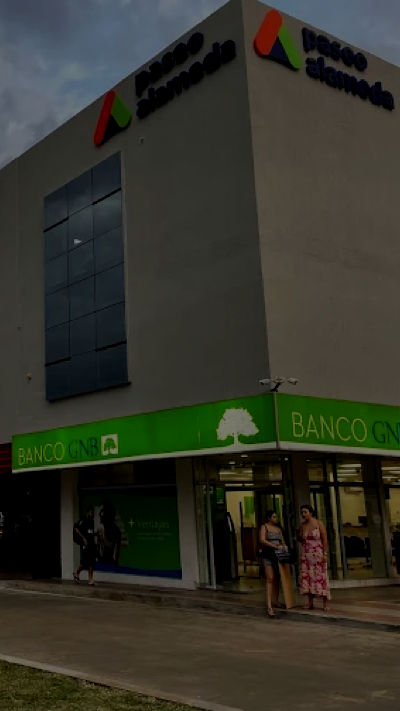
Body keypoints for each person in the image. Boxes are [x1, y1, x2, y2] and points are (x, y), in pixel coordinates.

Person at [298, 504, 331, 611]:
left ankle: (325, 603)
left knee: (321, 577)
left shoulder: (318, 523)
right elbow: (299, 539)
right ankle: (310, 602)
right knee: (308, 578)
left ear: (311, 513)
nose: (303, 514)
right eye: (302, 512)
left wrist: (325, 554)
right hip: (306, 555)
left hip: (317, 554)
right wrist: (302, 536)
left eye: (305, 512)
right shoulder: (302, 525)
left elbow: (325, 539)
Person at [259, 510, 286, 618]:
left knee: (277, 578)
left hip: (278, 555)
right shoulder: (264, 527)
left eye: (276, 517)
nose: (276, 518)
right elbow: (262, 540)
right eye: (274, 517)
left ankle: (275, 600)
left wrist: (283, 547)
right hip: (268, 554)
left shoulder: (278, 529)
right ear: (269, 518)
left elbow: (282, 541)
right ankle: (269, 604)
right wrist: (274, 546)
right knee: (270, 578)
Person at [74, 507, 96, 586]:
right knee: (86, 561)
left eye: (93, 513)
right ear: (88, 512)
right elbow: (76, 528)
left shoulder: (92, 521)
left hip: (91, 543)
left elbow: (91, 532)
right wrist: (83, 538)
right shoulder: (83, 519)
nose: (92, 514)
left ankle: (90, 579)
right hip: (85, 544)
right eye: (91, 512)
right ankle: (77, 572)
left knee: (91, 561)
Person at [97, 501, 122, 565]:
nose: (100, 514)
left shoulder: (117, 533)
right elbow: (98, 553)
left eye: (102, 511)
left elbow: (115, 559)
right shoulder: (99, 530)